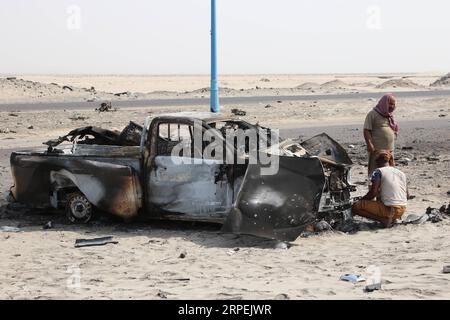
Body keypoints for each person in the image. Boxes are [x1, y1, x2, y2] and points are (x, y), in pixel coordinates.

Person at [352, 150, 408, 228]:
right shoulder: (401, 173)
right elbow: (407, 195)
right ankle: (391, 218)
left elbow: (373, 193)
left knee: (356, 206)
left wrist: (362, 200)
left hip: (390, 210)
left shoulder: (378, 171)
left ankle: (383, 220)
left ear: (377, 161)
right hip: (402, 210)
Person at [364, 93, 399, 177]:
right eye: (390, 104)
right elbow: (366, 130)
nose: (392, 106)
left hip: (389, 149)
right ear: (384, 103)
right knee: (375, 170)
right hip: (376, 149)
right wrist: (369, 144)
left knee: (389, 170)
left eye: (393, 104)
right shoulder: (372, 114)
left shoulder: (389, 116)